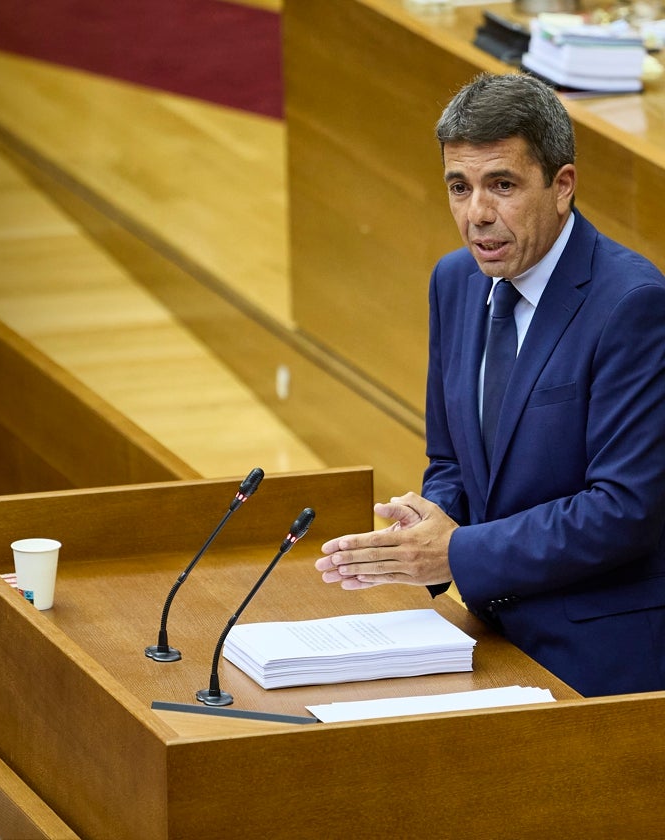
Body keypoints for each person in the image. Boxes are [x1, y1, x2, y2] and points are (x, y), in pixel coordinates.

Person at [313, 72, 665, 697]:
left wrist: (458, 552)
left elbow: (625, 509)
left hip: (598, 656)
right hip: (483, 628)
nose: (477, 214)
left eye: (501, 185)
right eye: (459, 186)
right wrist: (431, 521)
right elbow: (451, 457)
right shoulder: (455, 282)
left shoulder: (632, 304)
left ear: (562, 187)